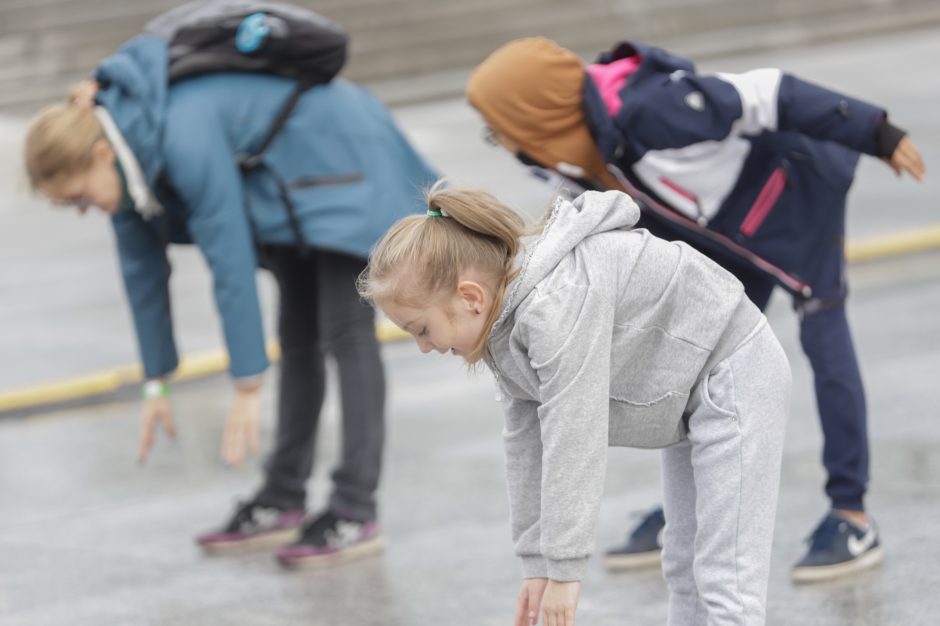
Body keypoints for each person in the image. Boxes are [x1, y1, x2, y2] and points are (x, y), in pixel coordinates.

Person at [465, 36, 926, 582]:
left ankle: (851, 514)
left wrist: (876, 130)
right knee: (695, 361)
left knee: (824, 341)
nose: (501, 142)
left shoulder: (651, 110)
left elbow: (767, 92)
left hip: (796, 197)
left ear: (539, 113)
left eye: (501, 126)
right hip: (724, 237)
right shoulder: (557, 153)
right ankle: (687, 508)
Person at [23, 34, 437, 568]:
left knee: (346, 331)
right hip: (286, 187)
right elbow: (141, 272)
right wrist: (156, 379)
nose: (85, 210)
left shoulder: (179, 135)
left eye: (79, 197)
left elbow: (229, 256)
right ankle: (284, 495)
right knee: (297, 337)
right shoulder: (126, 159)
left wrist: (247, 381)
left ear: (101, 153)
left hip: (339, 155)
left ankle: (355, 507)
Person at [359, 183, 791, 626]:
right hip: (691, 389)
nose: (423, 347)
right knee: (684, 563)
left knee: (725, 576)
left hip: (733, 371)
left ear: (471, 298)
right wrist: (537, 565)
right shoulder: (503, 324)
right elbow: (526, 443)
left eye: (422, 329)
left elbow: (574, 434)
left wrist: (565, 571)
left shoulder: (555, 305)